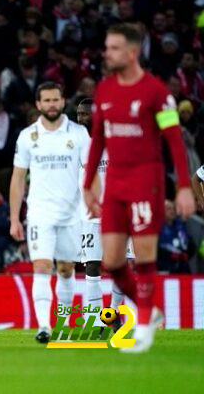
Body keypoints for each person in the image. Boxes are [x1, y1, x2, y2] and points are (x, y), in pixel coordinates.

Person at [83, 24, 195, 353]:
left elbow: (175, 142)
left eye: (114, 48)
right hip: (115, 183)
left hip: (147, 181)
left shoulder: (157, 92)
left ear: (132, 52)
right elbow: (98, 142)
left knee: (143, 258)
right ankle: (151, 309)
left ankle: (144, 325)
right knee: (113, 261)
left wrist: (184, 187)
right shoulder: (103, 90)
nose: (108, 53)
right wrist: (89, 184)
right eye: (107, 47)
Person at [10, 82, 90, 344]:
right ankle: (44, 325)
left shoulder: (79, 134)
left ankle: (64, 323)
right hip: (39, 214)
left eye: (55, 100)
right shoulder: (27, 136)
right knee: (42, 266)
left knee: (66, 270)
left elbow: (91, 174)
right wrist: (14, 218)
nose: (51, 105)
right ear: (38, 104)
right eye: (46, 100)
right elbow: (18, 178)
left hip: (72, 214)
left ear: (63, 101)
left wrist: (93, 204)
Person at [76, 98, 134, 332]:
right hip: (88, 215)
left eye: (85, 114)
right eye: (78, 114)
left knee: (123, 264)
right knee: (92, 265)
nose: (81, 118)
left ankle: (112, 313)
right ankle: (98, 320)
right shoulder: (77, 144)